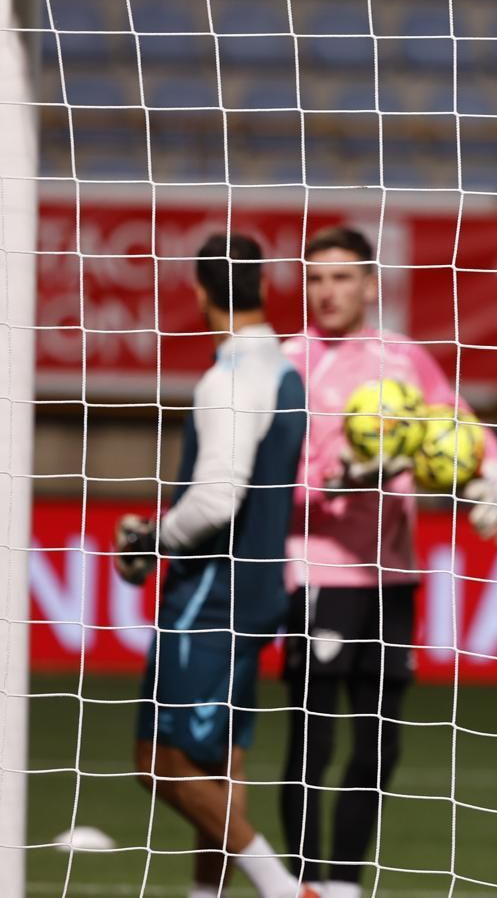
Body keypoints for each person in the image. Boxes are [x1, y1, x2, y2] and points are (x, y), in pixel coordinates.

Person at [278, 225, 497, 898]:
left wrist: (496, 481)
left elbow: (460, 425)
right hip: (320, 573)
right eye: (315, 278)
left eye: (341, 278)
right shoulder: (289, 364)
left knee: (379, 741)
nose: (327, 292)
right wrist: (339, 480)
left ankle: (345, 883)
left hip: (394, 577)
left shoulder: (404, 359)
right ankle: (304, 883)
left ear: (369, 285)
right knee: (313, 740)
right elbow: (268, 481)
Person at [115, 233, 312, 898]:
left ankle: (282, 888)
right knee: (221, 763)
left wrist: (153, 539)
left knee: (161, 762)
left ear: (201, 292)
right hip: (257, 590)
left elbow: (217, 497)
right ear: (264, 285)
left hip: (211, 594)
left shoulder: (226, 377)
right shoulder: (285, 372)